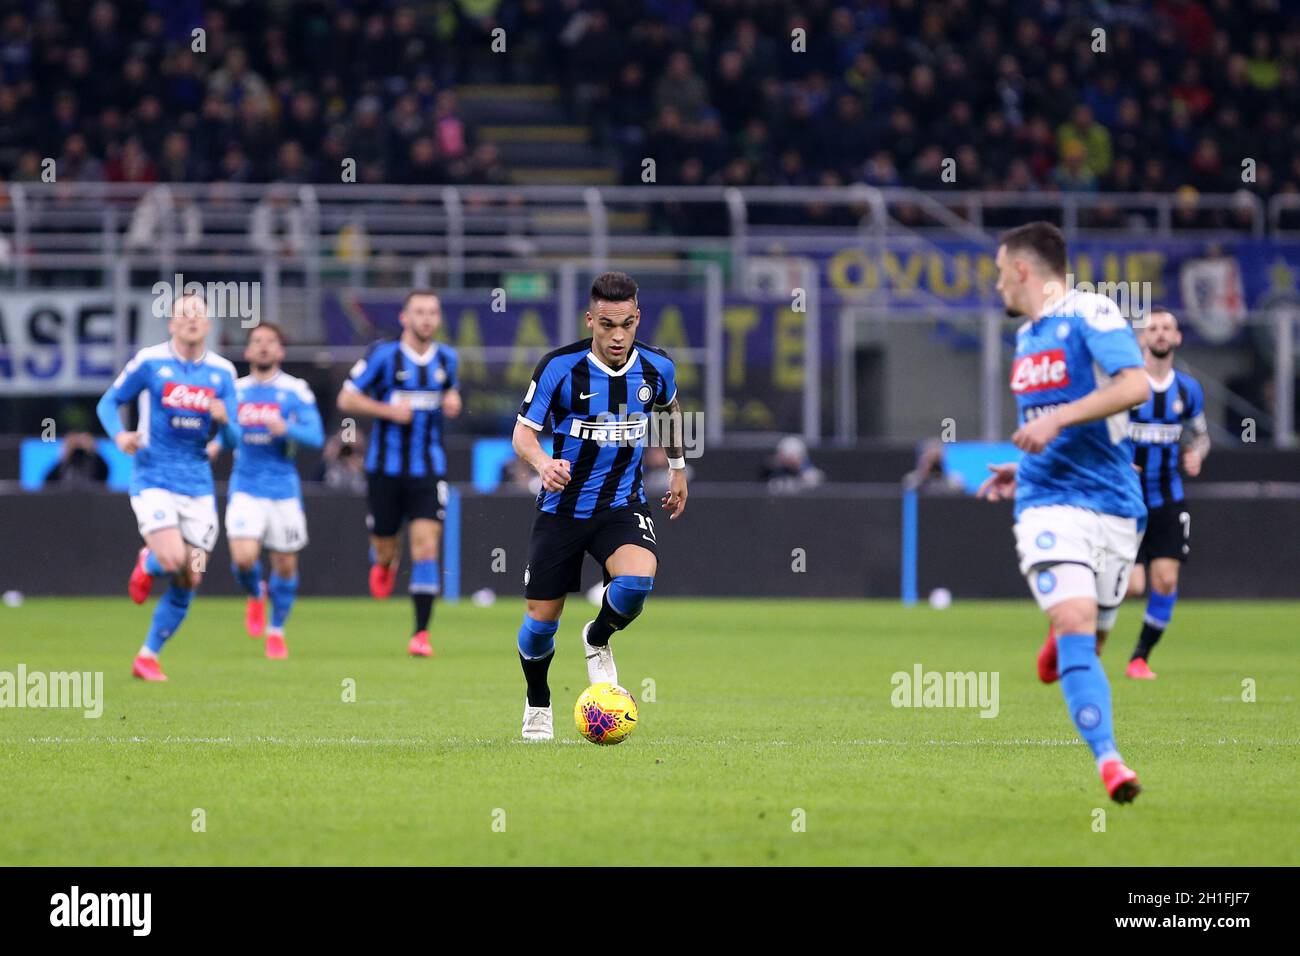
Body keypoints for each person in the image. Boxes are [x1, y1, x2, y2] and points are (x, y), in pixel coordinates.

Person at [977, 221, 1150, 803]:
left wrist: (1055, 419)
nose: (997, 282)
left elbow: (1134, 386)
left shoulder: (1090, 314)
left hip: (1114, 507)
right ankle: (1112, 764)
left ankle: (1060, 643)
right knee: (1077, 621)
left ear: (1023, 269)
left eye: (1001, 271)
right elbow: (1054, 427)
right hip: (1047, 503)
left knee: (1089, 646)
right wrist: (1020, 469)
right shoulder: (1027, 337)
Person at [510, 271, 688, 741]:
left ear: (637, 319)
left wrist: (678, 467)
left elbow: (670, 411)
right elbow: (522, 434)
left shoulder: (657, 367)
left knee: (636, 581)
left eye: (626, 324)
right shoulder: (559, 367)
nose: (617, 335)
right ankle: (537, 701)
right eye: (607, 324)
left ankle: (597, 636)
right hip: (561, 509)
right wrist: (543, 463)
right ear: (590, 319)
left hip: (621, 504)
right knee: (540, 623)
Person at [95, 294, 240, 681]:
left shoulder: (223, 372)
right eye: (183, 314)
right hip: (153, 477)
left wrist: (224, 424)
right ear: (172, 324)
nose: (192, 320)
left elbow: (237, 437)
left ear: (208, 325)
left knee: (191, 575)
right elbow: (108, 403)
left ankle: (147, 656)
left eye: (199, 314)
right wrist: (119, 435)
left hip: (197, 485)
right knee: (175, 559)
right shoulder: (150, 362)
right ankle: (149, 560)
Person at [335, 290, 461, 656]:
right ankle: (384, 562)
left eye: (432, 312)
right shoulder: (383, 355)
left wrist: (453, 401)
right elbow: (346, 398)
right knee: (386, 544)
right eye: (419, 312)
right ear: (405, 317)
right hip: (384, 470)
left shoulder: (447, 359)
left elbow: (449, 396)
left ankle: (420, 634)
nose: (426, 319)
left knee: (426, 546)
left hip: (428, 470)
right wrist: (388, 411)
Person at [209, 323, 324, 659]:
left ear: (280, 351)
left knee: (286, 565)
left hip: (284, 490)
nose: (263, 347)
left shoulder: (296, 390)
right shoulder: (235, 389)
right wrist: (217, 444)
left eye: (270, 342)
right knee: (244, 558)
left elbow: (316, 437)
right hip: (246, 486)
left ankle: (277, 631)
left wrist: (287, 428)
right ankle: (255, 593)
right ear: (247, 352)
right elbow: (228, 428)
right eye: (257, 341)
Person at [1123, 308, 1209, 679]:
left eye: (1166, 328)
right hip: (1124, 500)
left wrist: (1196, 454)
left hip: (1167, 497)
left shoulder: (1188, 390)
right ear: (1142, 338)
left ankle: (1139, 658)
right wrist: (1119, 461)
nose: (1159, 334)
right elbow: (1102, 433)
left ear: (1177, 338)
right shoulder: (1125, 386)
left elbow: (1200, 435)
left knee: (1166, 580)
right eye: (1152, 328)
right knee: (1131, 587)